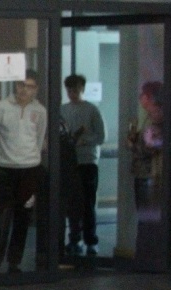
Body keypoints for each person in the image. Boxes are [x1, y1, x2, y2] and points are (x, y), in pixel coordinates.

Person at [0, 69, 47, 273]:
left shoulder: (40, 111)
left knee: (23, 218)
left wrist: (31, 158)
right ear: (15, 86)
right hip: (5, 169)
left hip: (29, 170)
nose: (24, 90)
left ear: (35, 89)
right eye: (21, 85)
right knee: (1, 218)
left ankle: (14, 262)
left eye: (29, 86)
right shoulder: (1, 107)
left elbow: (39, 139)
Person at [60, 74, 106, 257]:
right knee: (72, 204)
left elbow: (101, 136)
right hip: (69, 162)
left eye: (76, 90)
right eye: (70, 90)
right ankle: (74, 238)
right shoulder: (62, 110)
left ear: (82, 89)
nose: (72, 93)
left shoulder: (92, 110)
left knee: (87, 203)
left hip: (87, 161)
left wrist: (83, 141)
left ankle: (90, 240)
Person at [127, 80, 165, 272]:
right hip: (145, 174)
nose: (140, 98)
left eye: (143, 95)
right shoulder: (149, 118)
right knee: (146, 217)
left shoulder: (157, 118)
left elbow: (153, 147)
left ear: (149, 97)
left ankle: (147, 258)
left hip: (150, 175)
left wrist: (135, 145)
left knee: (148, 218)